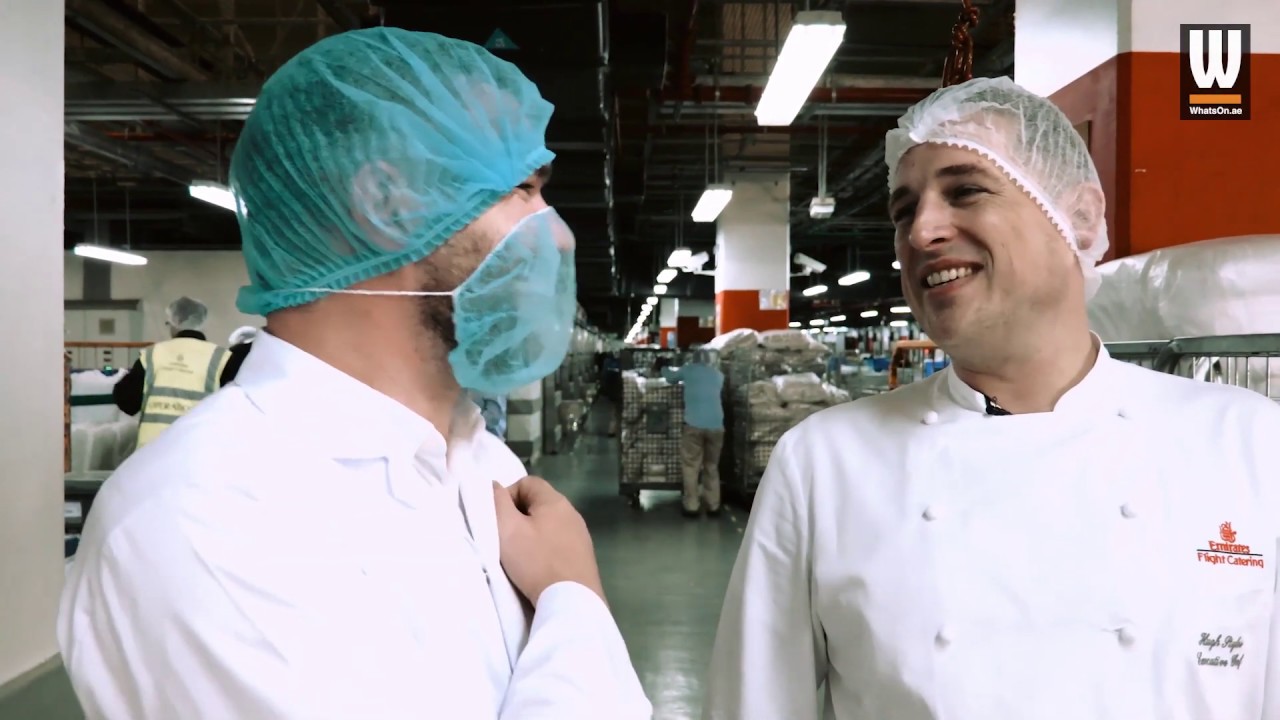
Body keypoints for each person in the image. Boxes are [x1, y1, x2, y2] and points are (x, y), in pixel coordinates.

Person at [60, 28, 650, 720]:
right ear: (388, 204)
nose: (557, 233)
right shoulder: (202, 520)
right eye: (522, 188)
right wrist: (574, 599)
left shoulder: (481, 463)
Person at [704, 76, 1280, 719]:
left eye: (965, 191)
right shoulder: (824, 463)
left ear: (1080, 217)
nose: (921, 232)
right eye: (903, 211)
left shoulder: (1248, 445)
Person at [111, 296, 241, 448]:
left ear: (175, 322)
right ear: (202, 322)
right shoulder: (221, 358)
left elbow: (127, 402)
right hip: (198, 449)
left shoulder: (152, 355)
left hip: (152, 450)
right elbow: (235, 408)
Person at [661, 348, 725, 517]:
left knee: (691, 466)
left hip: (694, 425)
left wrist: (663, 367)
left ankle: (692, 506)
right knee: (711, 466)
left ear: (693, 359)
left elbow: (670, 378)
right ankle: (713, 505)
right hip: (717, 426)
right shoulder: (718, 375)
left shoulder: (688, 370)